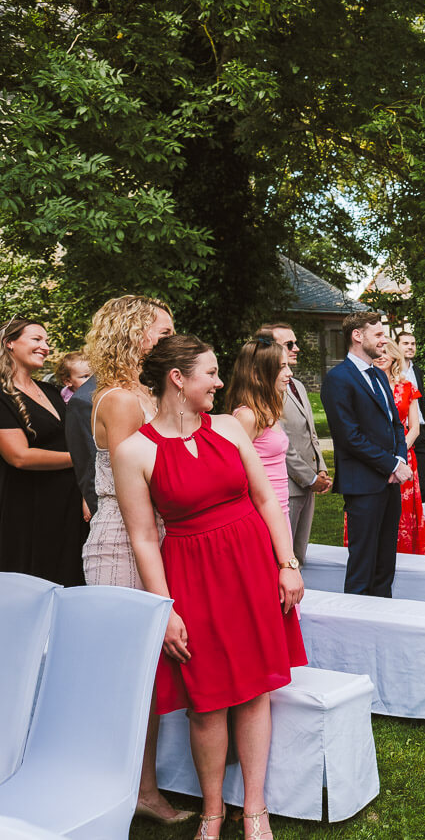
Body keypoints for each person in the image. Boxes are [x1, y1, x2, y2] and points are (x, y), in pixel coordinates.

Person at [113, 335, 307, 840]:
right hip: (192, 577)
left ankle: (257, 810)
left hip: (250, 566)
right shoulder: (134, 450)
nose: (220, 382)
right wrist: (166, 610)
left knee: (255, 690)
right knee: (207, 699)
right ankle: (214, 812)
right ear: (178, 379)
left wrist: (286, 563)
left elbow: (266, 498)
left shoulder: (227, 427)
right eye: (211, 373)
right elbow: (143, 538)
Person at [77, 296, 189, 826]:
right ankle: (132, 790)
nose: (169, 340)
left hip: (152, 534)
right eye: (161, 332)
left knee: (151, 673)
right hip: (123, 542)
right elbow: (129, 487)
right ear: (132, 334)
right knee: (131, 675)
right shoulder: (120, 399)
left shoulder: (142, 391)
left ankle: (144, 785)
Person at [320, 312, 411, 597]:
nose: (385, 340)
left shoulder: (378, 375)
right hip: (363, 484)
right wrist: (392, 464)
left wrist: (400, 459)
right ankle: (355, 629)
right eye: (379, 335)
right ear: (357, 336)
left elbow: (395, 423)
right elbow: (350, 437)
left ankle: (383, 621)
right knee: (362, 565)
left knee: (386, 563)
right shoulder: (338, 379)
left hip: (389, 482)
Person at [0, 318, 87, 586]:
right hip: (28, 511)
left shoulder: (51, 391)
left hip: (70, 510)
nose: (45, 347)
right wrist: (80, 461)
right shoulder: (2, 396)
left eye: (47, 341)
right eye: (36, 339)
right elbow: (19, 456)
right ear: (9, 343)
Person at [261, 322, 331, 564]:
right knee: (283, 557)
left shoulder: (297, 385)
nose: (297, 348)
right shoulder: (266, 390)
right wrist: (309, 479)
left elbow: (310, 432)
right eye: (289, 344)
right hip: (286, 487)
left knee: (300, 554)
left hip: (308, 483)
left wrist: (320, 467)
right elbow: (281, 442)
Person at [227, 338, 293, 524]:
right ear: (257, 373)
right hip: (261, 516)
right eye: (282, 367)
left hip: (281, 510)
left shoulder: (267, 412)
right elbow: (233, 473)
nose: (289, 373)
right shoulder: (247, 417)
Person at [380, 339, 425, 555]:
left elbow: (415, 428)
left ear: (394, 357)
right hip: (376, 455)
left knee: (403, 510)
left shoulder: (408, 387)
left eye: (385, 353)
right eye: (377, 353)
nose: (380, 356)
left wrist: (398, 454)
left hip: (404, 455)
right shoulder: (367, 385)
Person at [397, 330, 425, 500]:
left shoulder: (416, 371)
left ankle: (424, 521)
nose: (410, 347)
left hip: (421, 432)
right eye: (405, 343)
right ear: (396, 346)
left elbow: (421, 405)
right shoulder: (392, 373)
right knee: (406, 484)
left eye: (413, 344)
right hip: (403, 432)